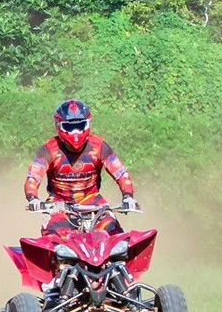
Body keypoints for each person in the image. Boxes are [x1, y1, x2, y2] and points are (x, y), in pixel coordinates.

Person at [24, 99, 138, 236]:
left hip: (93, 201)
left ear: (88, 123)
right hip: (58, 204)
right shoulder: (49, 149)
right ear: (58, 126)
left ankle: (122, 250)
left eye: (80, 125)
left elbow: (120, 173)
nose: (75, 132)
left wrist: (128, 197)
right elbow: (33, 177)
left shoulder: (99, 146)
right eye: (69, 127)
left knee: (114, 232)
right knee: (54, 235)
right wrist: (33, 199)